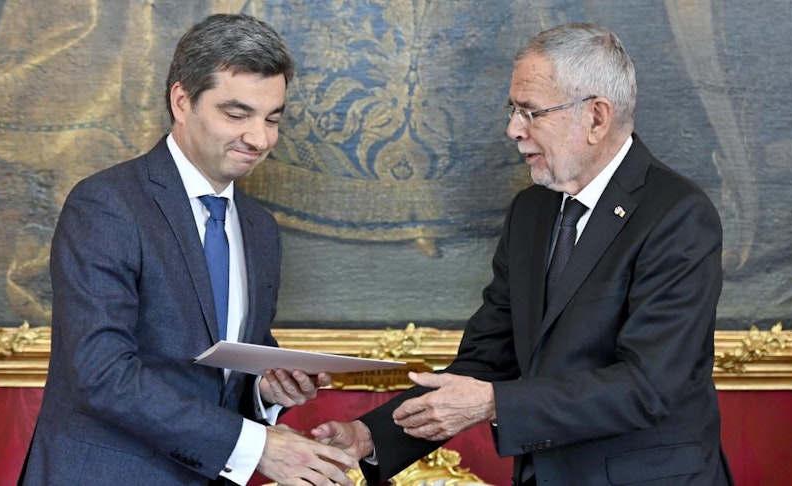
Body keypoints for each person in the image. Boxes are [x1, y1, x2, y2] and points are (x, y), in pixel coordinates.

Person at [312, 23, 734, 485]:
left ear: (596, 117)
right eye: (512, 110)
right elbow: (488, 359)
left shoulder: (678, 214)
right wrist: (369, 436)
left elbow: (647, 386)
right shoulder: (531, 211)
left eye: (531, 112)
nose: (513, 129)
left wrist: (495, 403)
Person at [20, 14, 355, 486]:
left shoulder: (259, 227)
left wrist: (264, 387)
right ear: (182, 101)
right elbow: (101, 373)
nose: (259, 139)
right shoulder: (106, 203)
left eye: (272, 118)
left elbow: (220, 358)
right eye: (237, 115)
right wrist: (256, 446)